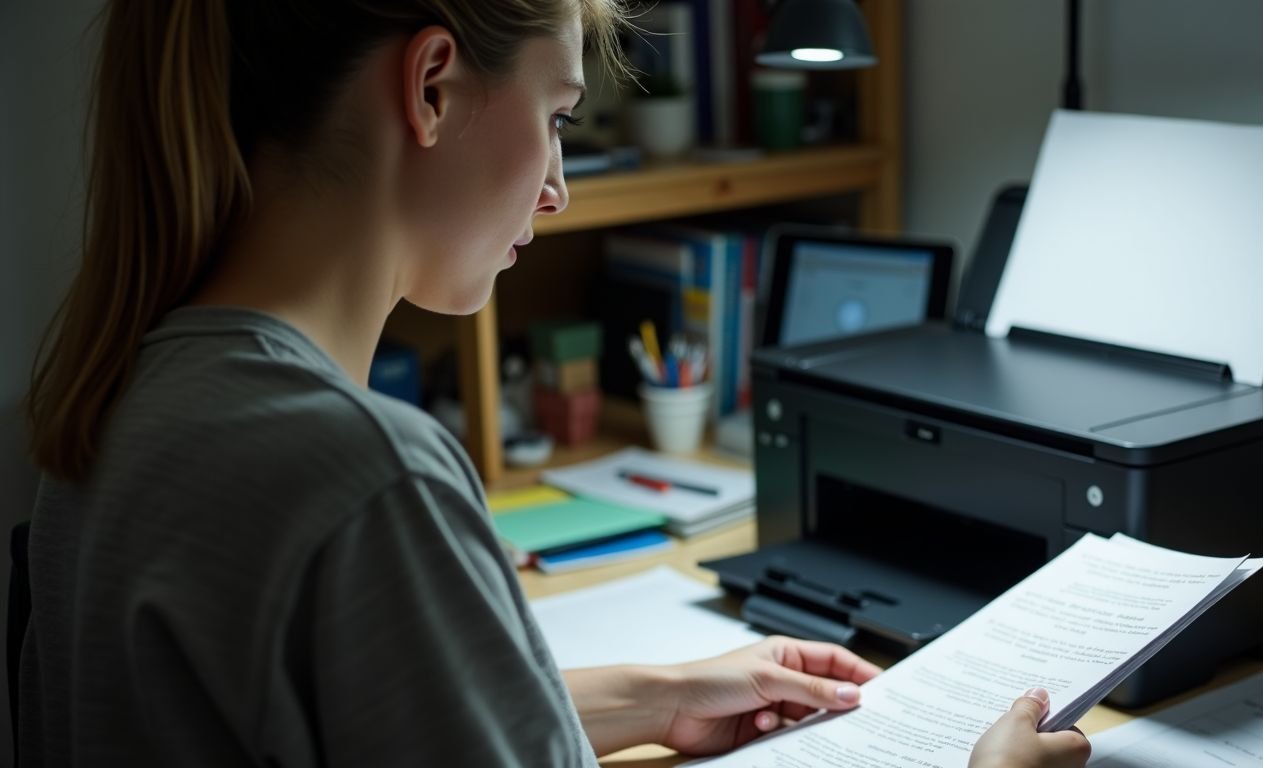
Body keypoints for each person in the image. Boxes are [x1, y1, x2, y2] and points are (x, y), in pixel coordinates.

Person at [20, 1, 1091, 766]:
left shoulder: (124, 398)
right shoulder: (364, 474)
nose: (557, 192)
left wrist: (660, 695)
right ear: (432, 86)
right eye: (560, 117)